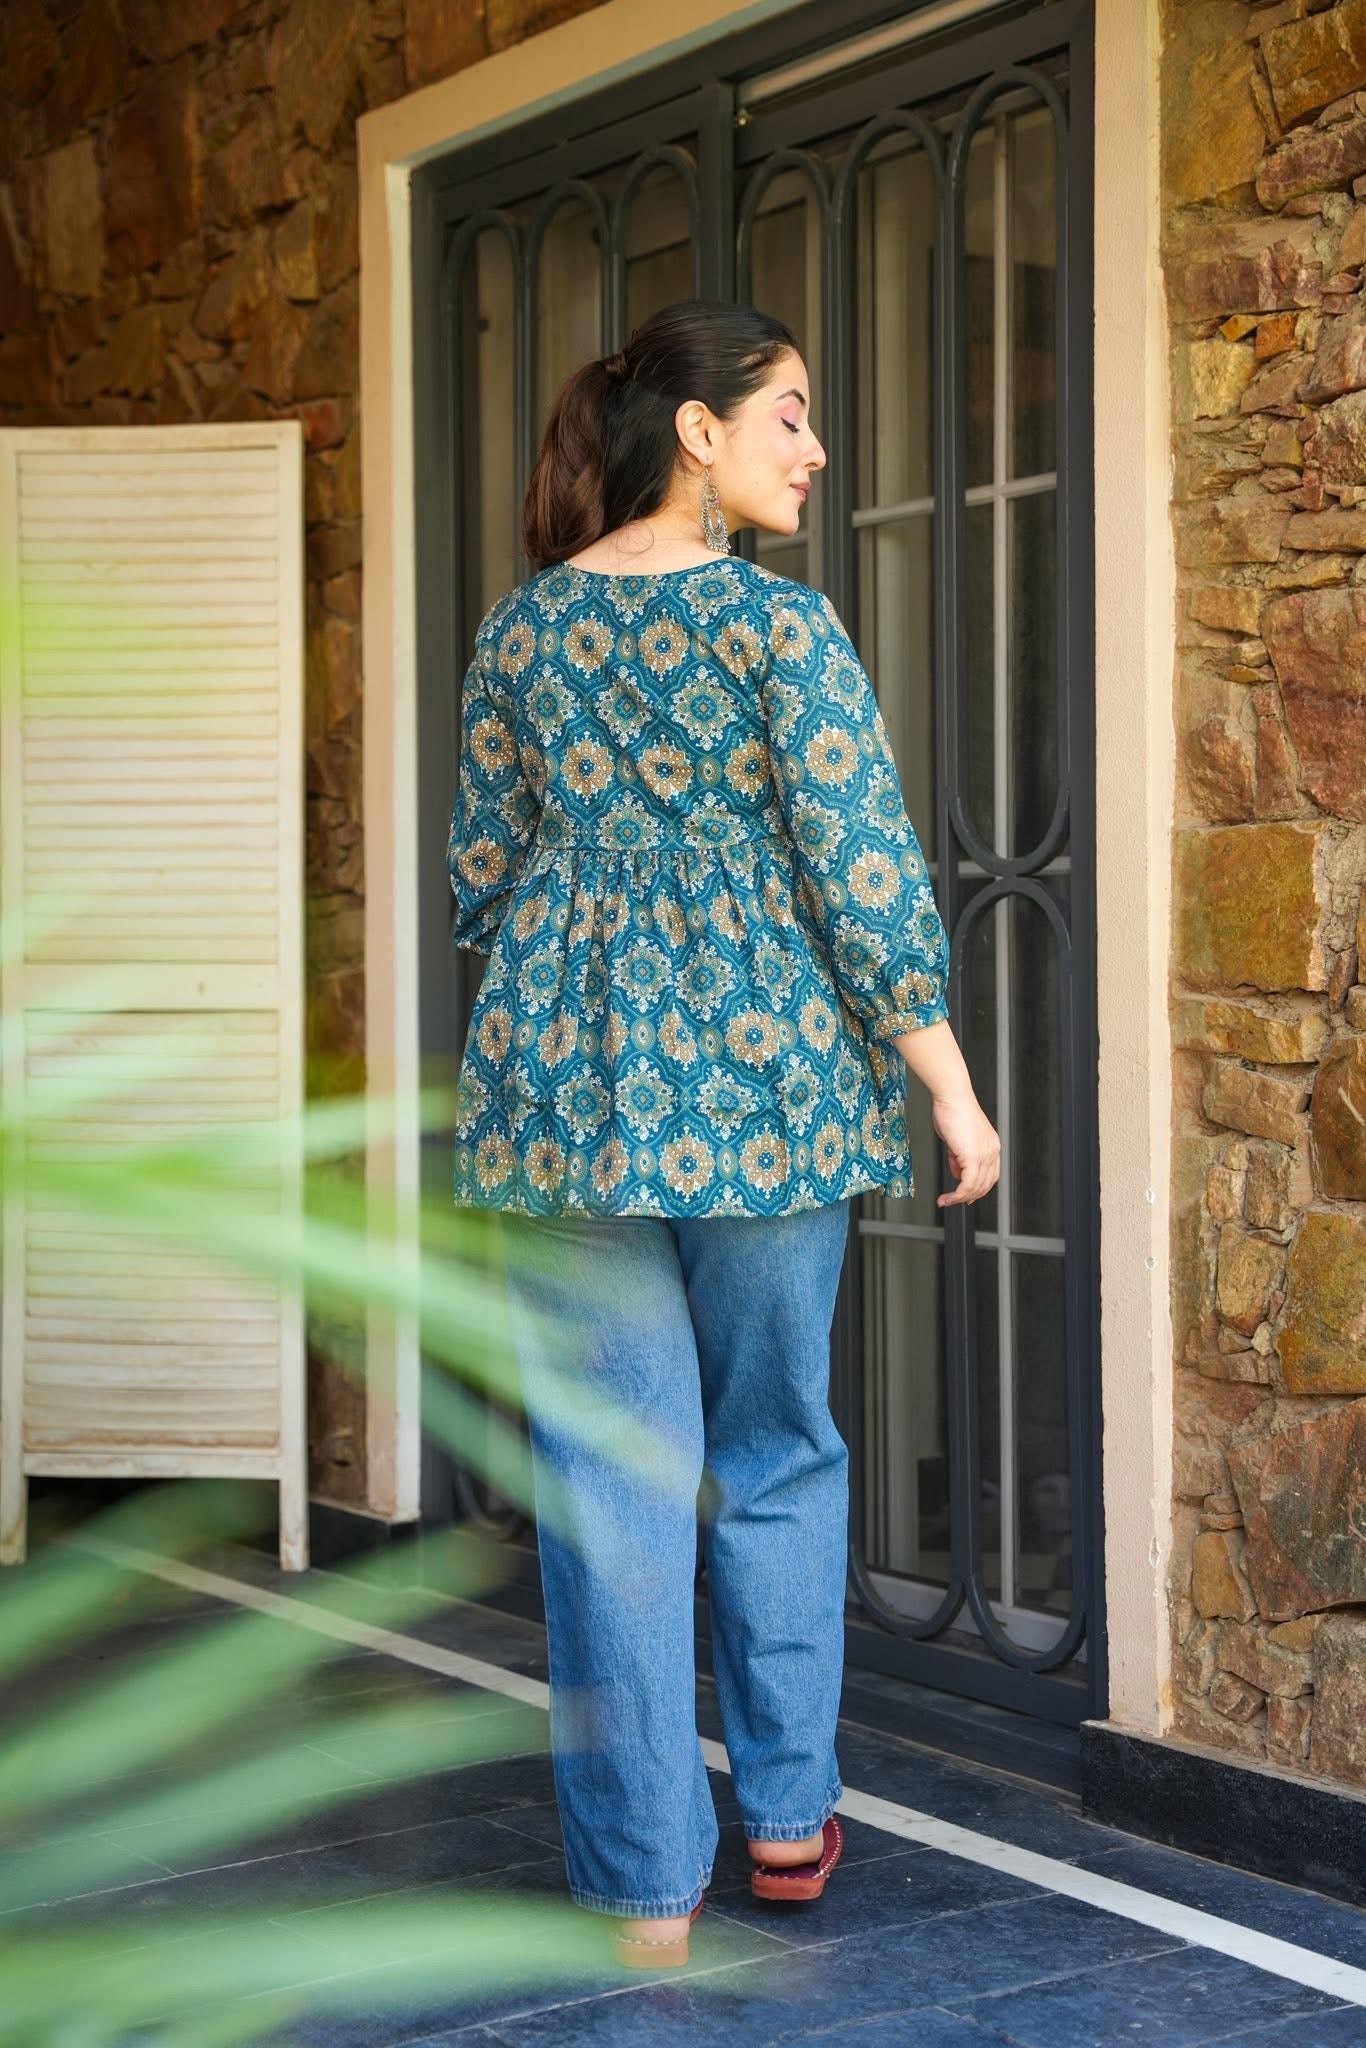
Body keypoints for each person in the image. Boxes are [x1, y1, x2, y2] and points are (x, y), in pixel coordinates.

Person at [445, 299, 1000, 1970]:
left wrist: (587, 953)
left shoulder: (520, 634)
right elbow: (860, 869)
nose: (813, 450)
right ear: (698, 431)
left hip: (559, 1094)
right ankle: (782, 1819)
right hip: (764, 1097)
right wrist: (947, 1079)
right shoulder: (777, 630)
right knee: (774, 1447)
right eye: (790, 416)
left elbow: (483, 878)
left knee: (606, 1480)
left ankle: (640, 1894)